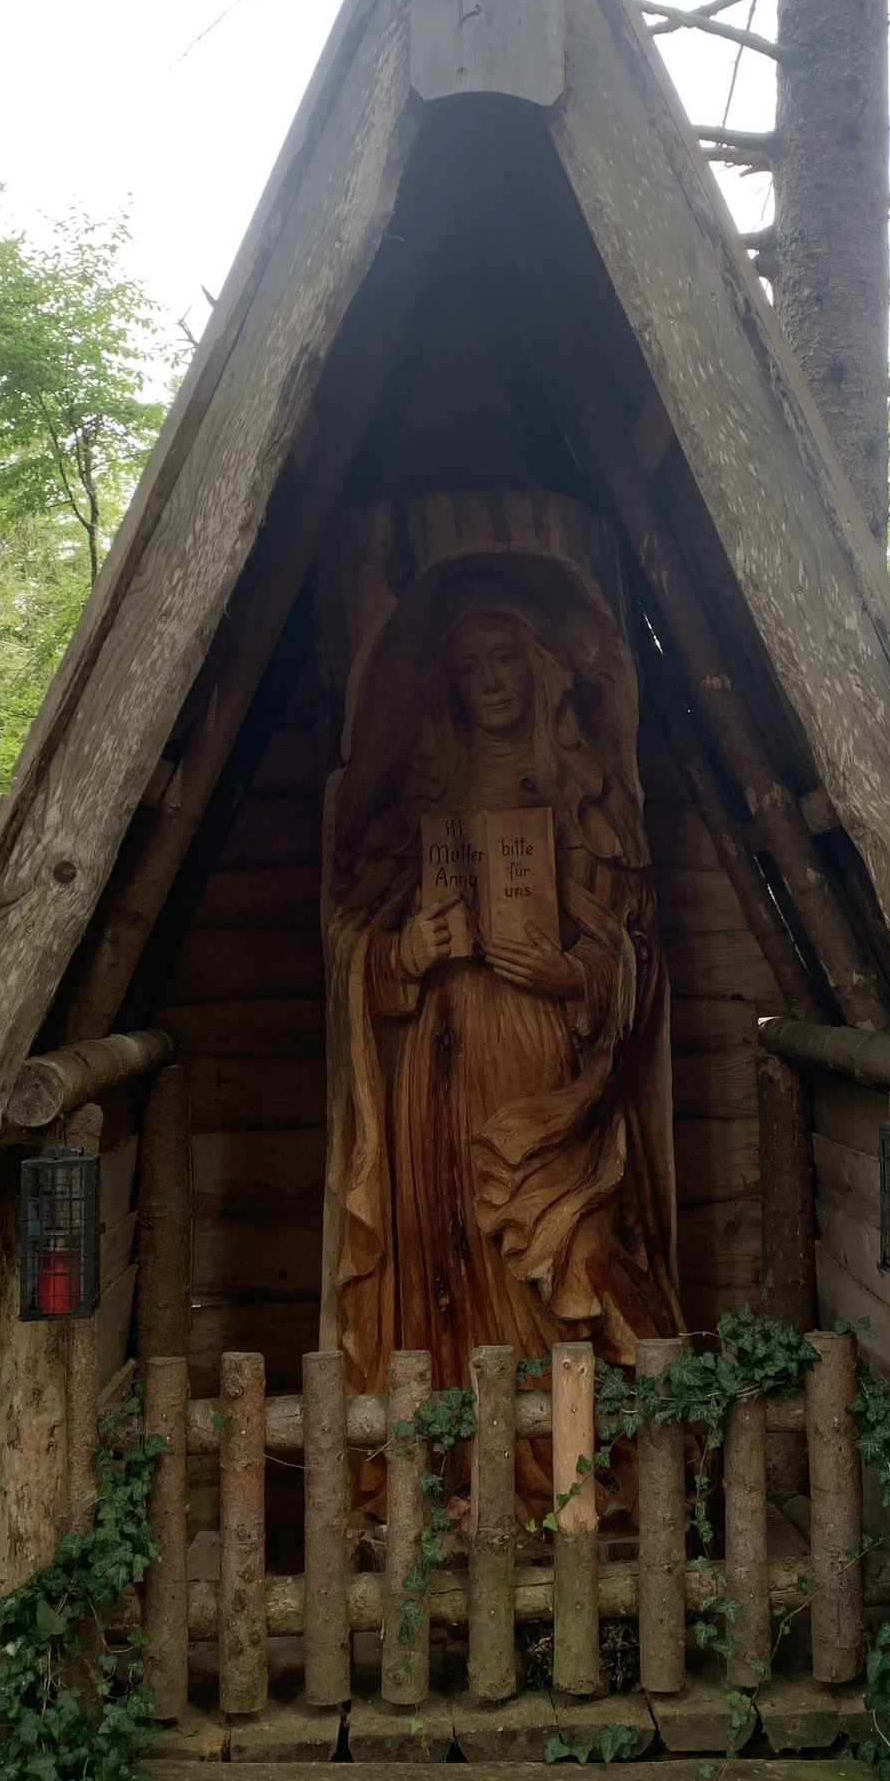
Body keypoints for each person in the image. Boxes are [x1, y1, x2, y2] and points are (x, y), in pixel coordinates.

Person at [326, 584, 680, 1495]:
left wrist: (569, 972)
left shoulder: (588, 803)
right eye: (470, 668)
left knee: (563, 1256)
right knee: (444, 1253)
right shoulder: (413, 808)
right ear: (446, 686)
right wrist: (404, 952)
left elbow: (636, 946)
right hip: (432, 1078)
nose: (489, 683)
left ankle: (572, 1479)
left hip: (548, 1079)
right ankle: (453, 1479)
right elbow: (351, 938)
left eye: (506, 661)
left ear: (541, 670)